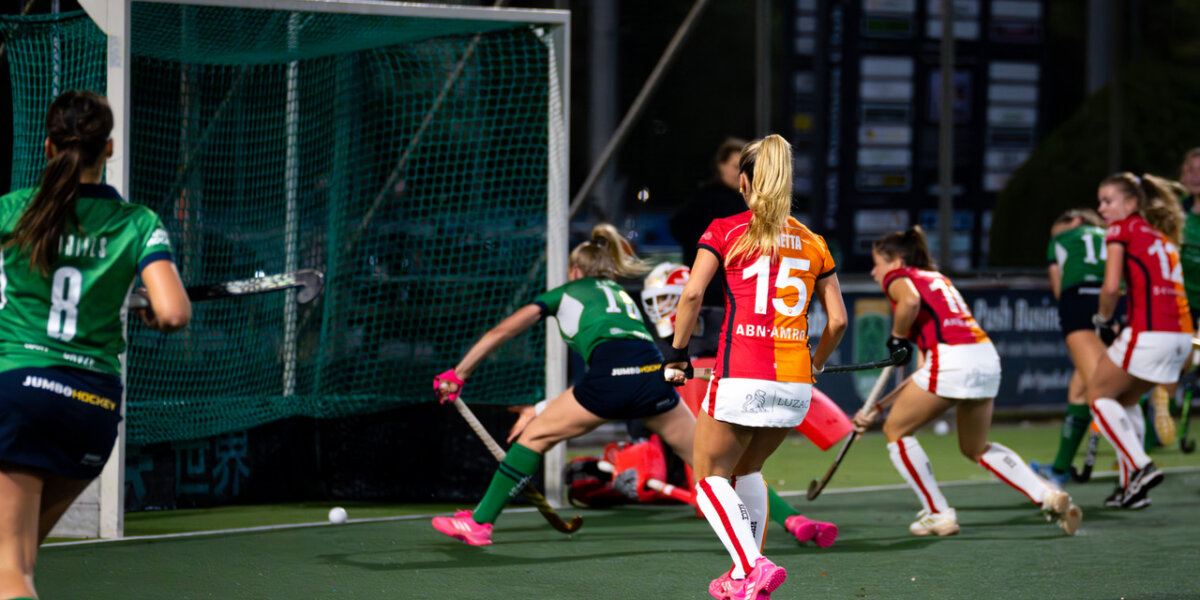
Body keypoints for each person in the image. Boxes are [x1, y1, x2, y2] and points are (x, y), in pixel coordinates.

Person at [0, 90, 191, 599]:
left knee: (8, 572)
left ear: (47, 147)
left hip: (20, 393)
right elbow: (174, 312)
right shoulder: (138, 222)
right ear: (108, 148)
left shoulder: (12, 211)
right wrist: (152, 307)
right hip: (92, 407)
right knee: (16, 564)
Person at [430, 224, 697, 546]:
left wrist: (459, 374)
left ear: (574, 270)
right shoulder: (620, 293)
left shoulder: (567, 291)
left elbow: (501, 332)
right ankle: (761, 519)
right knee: (709, 463)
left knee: (533, 437)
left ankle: (479, 523)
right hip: (654, 374)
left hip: (611, 378)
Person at [665, 134, 847, 599]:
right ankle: (742, 577)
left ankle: (753, 565)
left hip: (741, 374)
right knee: (747, 471)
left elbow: (692, 294)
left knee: (708, 476)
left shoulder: (726, 229)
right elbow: (838, 321)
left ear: (744, 182)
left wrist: (677, 354)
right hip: (796, 383)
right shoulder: (814, 241)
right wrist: (816, 364)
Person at [853, 226, 1081, 537]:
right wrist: (878, 407)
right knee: (975, 447)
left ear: (895, 262)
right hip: (984, 357)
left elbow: (909, 303)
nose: (873, 272)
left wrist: (896, 338)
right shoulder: (937, 280)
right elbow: (923, 375)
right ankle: (1048, 495)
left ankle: (937, 513)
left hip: (951, 358)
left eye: (877, 263)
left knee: (896, 430)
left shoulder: (899, 277)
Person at [1089, 172, 1191, 509]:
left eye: (1108, 201)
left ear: (1132, 203)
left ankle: (1141, 467)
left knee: (1097, 396)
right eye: (1100, 202)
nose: (1102, 209)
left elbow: (1110, 288)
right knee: (1125, 400)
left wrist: (1103, 320)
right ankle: (1130, 489)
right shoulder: (1162, 236)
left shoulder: (1122, 229)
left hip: (1151, 332)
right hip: (1181, 337)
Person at [1029, 209, 1119, 487]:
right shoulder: (1112, 235)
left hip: (1078, 303)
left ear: (1077, 220)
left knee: (1102, 390)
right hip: (1113, 305)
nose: (1055, 228)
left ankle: (1138, 463)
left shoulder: (1060, 240)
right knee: (1080, 390)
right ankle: (1059, 469)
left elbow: (1059, 289)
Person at [669, 137, 748, 308]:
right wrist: (708, 247)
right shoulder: (709, 197)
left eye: (744, 169)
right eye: (736, 167)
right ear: (721, 166)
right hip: (713, 290)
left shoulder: (739, 199)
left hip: (722, 288)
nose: (740, 174)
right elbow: (678, 225)